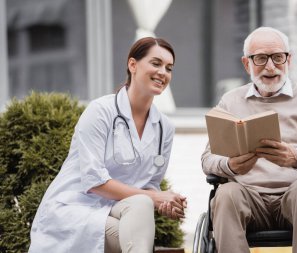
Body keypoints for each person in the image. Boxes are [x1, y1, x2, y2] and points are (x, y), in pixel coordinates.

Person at [29, 37, 187, 253]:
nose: (163, 73)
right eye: (156, 63)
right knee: (139, 216)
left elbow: (150, 183)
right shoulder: (101, 111)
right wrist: (155, 197)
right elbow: (94, 181)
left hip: (119, 209)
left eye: (169, 68)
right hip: (75, 208)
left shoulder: (164, 127)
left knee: (142, 204)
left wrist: (165, 202)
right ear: (133, 65)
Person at [201, 27, 297, 253]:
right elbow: (208, 159)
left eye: (278, 57)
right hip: (249, 197)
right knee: (226, 194)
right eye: (260, 58)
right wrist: (229, 165)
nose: (270, 66)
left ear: (289, 60)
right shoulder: (230, 101)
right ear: (246, 63)